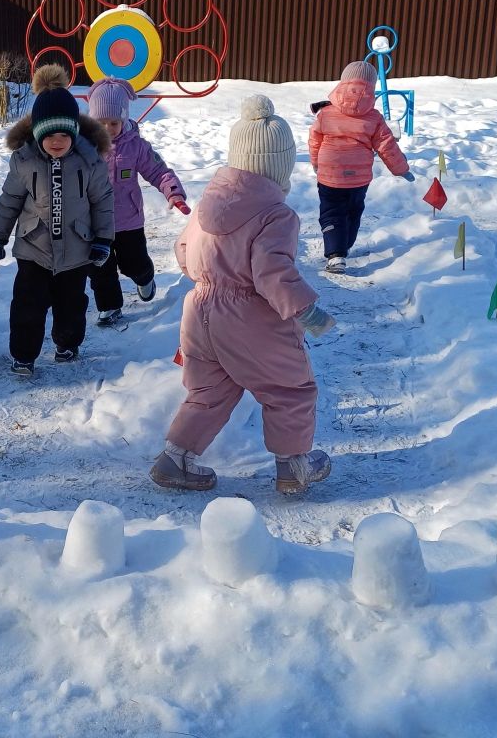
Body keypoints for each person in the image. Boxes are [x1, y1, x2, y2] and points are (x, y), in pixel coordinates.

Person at [150, 95, 336, 494]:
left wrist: (210, 277)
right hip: (249, 320)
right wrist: (307, 311)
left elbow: (183, 251)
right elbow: (272, 272)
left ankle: (175, 458)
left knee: (209, 391)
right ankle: (294, 467)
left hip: (199, 313)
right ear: (280, 165)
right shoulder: (275, 214)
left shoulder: (208, 205)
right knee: (290, 389)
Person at [0, 65, 114, 376]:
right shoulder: (24, 161)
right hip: (33, 249)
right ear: (37, 133)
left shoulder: (90, 162)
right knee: (27, 306)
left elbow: (102, 203)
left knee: (70, 306)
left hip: (76, 251)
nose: (57, 141)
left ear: (73, 132)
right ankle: (24, 355)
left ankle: (66, 343)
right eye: (49, 134)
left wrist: (103, 240)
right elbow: (10, 200)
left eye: (63, 134)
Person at [85, 77, 189, 327]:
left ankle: (145, 279)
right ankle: (109, 307)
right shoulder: (82, 148)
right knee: (100, 269)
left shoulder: (136, 147)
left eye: (114, 122)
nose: (108, 128)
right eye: (101, 123)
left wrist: (173, 192)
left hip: (128, 220)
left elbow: (158, 171)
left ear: (124, 120)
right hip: (93, 224)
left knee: (135, 263)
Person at [308, 61, 413, 274]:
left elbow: (314, 139)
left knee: (331, 212)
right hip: (359, 178)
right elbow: (387, 146)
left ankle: (336, 253)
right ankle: (344, 244)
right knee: (353, 211)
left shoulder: (326, 113)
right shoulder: (374, 118)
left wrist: (316, 162)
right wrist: (401, 169)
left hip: (330, 175)